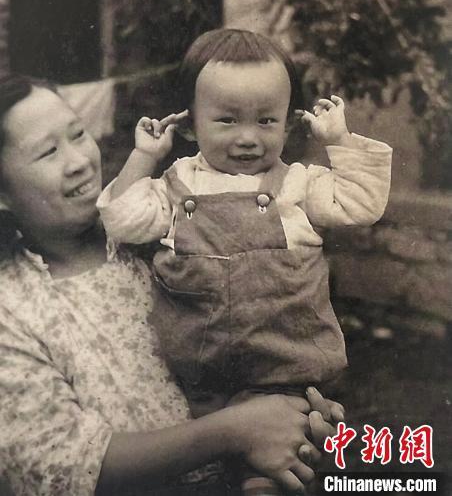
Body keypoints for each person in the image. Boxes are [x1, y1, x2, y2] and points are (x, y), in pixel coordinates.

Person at [0, 75, 342, 496]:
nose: (79, 162)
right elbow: (61, 466)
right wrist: (237, 430)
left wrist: (296, 414)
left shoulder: (157, 229)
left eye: (78, 134)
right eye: (48, 152)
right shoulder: (11, 309)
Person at [97, 28, 392, 494]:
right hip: (192, 380)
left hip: (282, 377)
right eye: (228, 120)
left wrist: (340, 139)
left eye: (266, 121)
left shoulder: (298, 185)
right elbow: (123, 221)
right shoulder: (176, 185)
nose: (249, 138)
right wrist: (143, 157)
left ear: (288, 125)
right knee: (191, 475)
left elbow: (361, 204)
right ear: (190, 124)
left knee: (267, 476)